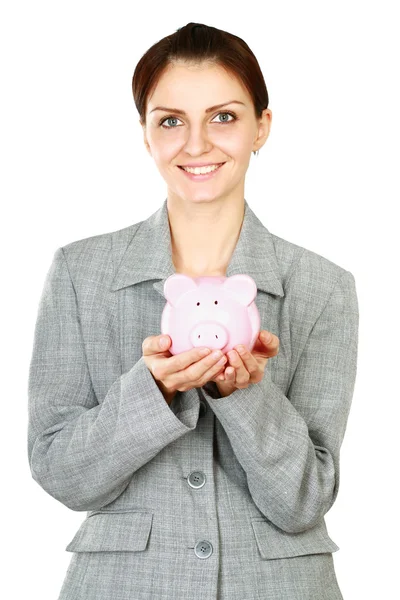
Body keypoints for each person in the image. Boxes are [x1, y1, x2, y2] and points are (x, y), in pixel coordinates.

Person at [27, 22, 359, 600]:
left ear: (263, 127)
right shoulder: (81, 273)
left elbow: (305, 498)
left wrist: (245, 396)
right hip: (125, 585)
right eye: (172, 120)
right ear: (146, 134)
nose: (197, 143)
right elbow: (61, 472)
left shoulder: (323, 287)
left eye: (224, 117)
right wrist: (151, 392)